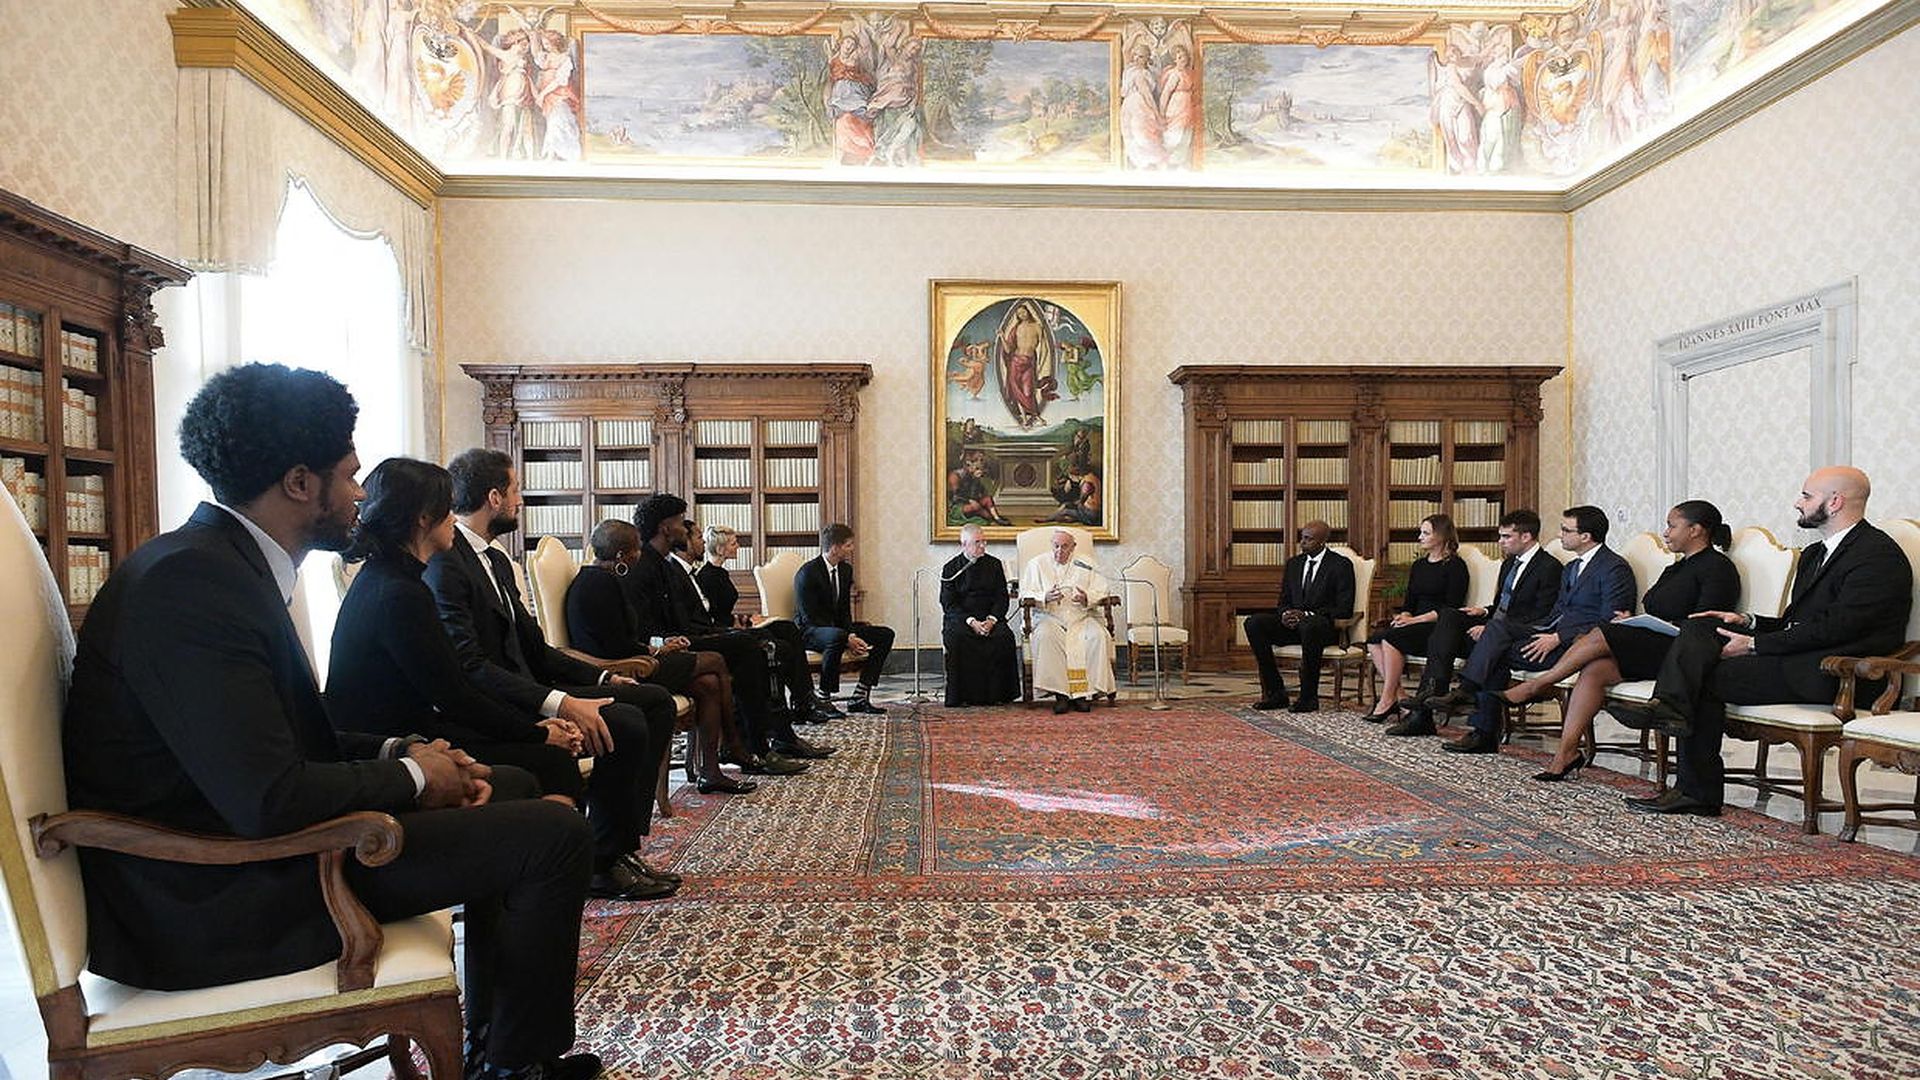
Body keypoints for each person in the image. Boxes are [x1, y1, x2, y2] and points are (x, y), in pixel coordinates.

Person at [62, 364, 602, 1080]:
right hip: (213, 900)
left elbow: (287, 740)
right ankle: (516, 1066)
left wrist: (407, 750)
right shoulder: (189, 588)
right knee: (555, 834)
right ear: (297, 483)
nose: (358, 495)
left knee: (506, 784)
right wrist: (413, 778)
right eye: (348, 476)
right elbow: (266, 797)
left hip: (253, 856)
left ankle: (498, 1049)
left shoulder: (220, 567)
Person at [423, 448, 681, 901]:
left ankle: (620, 844)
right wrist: (560, 703)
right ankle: (603, 860)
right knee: (624, 721)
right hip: (499, 699)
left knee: (651, 699)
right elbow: (471, 666)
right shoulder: (448, 561)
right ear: (495, 498)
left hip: (530, 683)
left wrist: (603, 681)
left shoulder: (498, 560)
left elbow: (536, 649)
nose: (521, 501)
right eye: (517, 490)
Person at [1611, 468, 1913, 816]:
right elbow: (1796, 623)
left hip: (1840, 671)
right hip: (1799, 656)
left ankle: (1694, 784)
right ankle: (1669, 706)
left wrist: (1756, 645)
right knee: (1704, 625)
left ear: (1834, 502)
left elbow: (1841, 628)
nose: (1797, 503)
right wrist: (1749, 622)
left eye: (1806, 496)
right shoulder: (1815, 553)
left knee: (1705, 678)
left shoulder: (1877, 555)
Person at [329, 457, 587, 808]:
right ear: (423, 518)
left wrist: (536, 729)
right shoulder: (400, 592)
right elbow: (456, 695)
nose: (454, 517)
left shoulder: (388, 576)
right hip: (396, 746)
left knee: (544, 755)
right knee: (551, 763)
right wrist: (539, 733)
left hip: (411, 730)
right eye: (447, 509)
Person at [1501, 500, 1741, 781]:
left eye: (1671, 526)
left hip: (1685, 652)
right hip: (1657, 641)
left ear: (1696, 530)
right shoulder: (1675, 568)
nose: (1665, 532)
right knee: (1594, 670)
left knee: (1603, 631)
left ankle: (1538, 684)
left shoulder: (1717, 567)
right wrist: (1631, 617)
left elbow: (1707, 620)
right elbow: (1655, 605)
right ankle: (1565, 754)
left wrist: (1664, 624)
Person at [564, 518, 759, 795]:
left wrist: (660, 645)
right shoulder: (599, 585)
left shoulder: (605, 579)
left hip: (637, 658)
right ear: (621, 554)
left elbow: (625, 638)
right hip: (623, 670)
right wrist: (655, 651)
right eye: (635, 549)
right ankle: (734, 744)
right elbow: (616, 647)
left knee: (709, 685)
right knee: (714, 660)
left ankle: (711, 772)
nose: (639, 554)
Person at [1434, 506, 1639, 754]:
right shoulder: (1572, 568)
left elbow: (1611, 621)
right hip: (1553, 635)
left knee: (1495, 648)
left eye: (1566, 530)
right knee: (1496, 637)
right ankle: (1478, 717)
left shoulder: (1614, 568)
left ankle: (1480, 721)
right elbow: (1557, 612)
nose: (1560, 534)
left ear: (1585, 536)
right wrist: (1542, 632)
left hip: (1580, 648)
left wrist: (1557, 637)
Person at [1386, 509, 1559, 737]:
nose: (1500, 542)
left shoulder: (1549, 567)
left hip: (1517, 635)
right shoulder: (1510, 564)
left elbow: (1541, 616)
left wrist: (1490, 627)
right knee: (1450, 615)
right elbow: (1501, 605)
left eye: (1506, 537)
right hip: (1495, 626)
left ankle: (1434, 707)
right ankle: (1434, 691)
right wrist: (1484, 611)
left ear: (1526, 537)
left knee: (1466, 633)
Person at [673, 521, 836, 760]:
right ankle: (776, 732)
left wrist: (745, 619)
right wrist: (737, 624)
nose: (703, 542)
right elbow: (706, 618)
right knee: (774, 647)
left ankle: (804, 700)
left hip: (721, 629)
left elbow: (712, 613)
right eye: (698, 537)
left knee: (786, 629)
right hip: (711, 636)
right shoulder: (703, 575)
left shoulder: (709, 574)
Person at [1361, 514, 1470, 723]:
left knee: (1391, 639)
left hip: (1439, 628)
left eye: (1426, 533)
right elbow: (1409, 601)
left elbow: (1451, 607)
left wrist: (1415, 620)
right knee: (1374, 640)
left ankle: (1386, 700)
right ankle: (1400, 697)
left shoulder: (1456, 566)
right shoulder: (1419, 565)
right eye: (1421, 532)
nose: (1420, 537)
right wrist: (1404, 615)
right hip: (1415, 623)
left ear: (1441, 536)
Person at [1244, 521, 1355, 714]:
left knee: (1310, 625)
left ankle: (1308, 698)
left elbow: (1344, 608)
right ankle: (1276, 692)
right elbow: (1284, 600)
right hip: (1294, 627)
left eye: (1307, 539)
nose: (1301, 543)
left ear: (1322, 542)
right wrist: (1286, 614)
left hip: (1323, 629)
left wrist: (1306, 615)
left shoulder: (1340, 565)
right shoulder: (1294, 564)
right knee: (1254, 623)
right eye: (1302, 537)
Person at [795, 523, 896, 714]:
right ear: (835, 548)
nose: (852, 549)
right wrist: (846, 637)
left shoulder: (845, 570)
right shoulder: (807, 573)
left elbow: (844, 610)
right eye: (849, 545)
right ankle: (824, 698)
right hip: (810, 630)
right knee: (836, 637)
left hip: (837, 629)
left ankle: (860, 695)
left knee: (885, 634)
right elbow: (810, 617)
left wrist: (850, 632)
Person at [1019, 528, 1116, 713]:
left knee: (1097, 636)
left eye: (1065, 547)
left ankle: (1083, 694)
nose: (1059, 551)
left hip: (1081, 617)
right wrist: (1044, 596)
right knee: (1046, 637)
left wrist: (1086, 597)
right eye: (1056, 546)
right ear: (1051, 545)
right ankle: (1060, 695)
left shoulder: (1087, 564)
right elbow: (1025, 594)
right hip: (1049, 618)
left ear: (1073, 547)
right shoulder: (1036, 564)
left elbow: (1103, 591)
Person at [940, 523, 1020, 706]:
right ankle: (963, 696)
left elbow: (1002, 598)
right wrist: (972, 622)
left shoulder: (994, 564)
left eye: (984, 541)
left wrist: (992, 620)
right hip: (961, 619)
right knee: (958, 638)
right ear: (964, 545)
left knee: (1004, 637)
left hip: (990, 617)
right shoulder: (951, 568)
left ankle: (999, 695)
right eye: (977, 542)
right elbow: (948, 603)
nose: (982, 546)